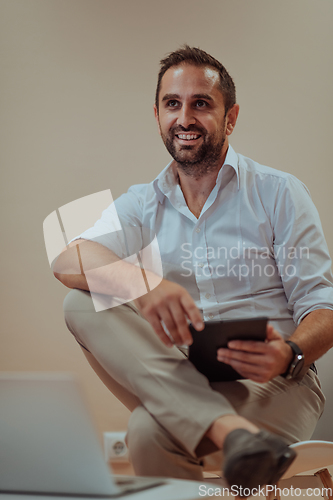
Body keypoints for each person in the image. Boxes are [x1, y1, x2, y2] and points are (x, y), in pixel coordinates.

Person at [53, 46, 333, 494]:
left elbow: (325, 308)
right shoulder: (142, 202)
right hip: (182, 375)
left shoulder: (279, 193)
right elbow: (67, 260)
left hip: (278, 383)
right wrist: (143, 284)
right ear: (158, 114)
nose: (185, 117)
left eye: (201, 103)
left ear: (230, 117)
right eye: (172, 104)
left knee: (147, 429)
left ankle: (227, 429)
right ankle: (231, 433)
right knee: (80, 301)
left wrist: (291, 354)